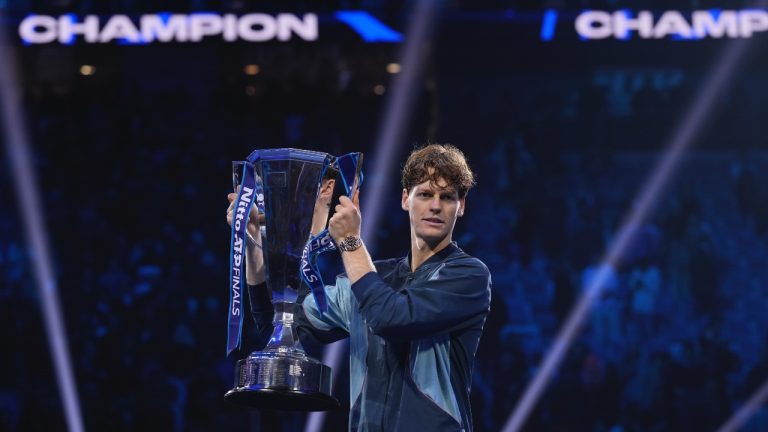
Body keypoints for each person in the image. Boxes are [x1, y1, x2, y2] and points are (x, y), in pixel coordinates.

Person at [227, 144, 491, 432]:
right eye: (425, 194)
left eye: (448, 197)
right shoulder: (372, 276)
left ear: (461, 206)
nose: (436, 206)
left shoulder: (468, 276)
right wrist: (255, 243)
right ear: (406, 199)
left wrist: (351, 242)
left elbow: (392, 318)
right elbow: (282, 326)